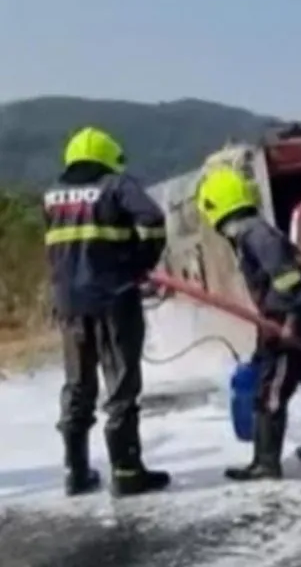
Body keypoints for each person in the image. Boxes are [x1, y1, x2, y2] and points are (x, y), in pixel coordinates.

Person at [44, 126, 171, 497]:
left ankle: (77, 473)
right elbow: (153, 220)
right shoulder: (116, 186)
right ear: (106, 157)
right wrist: (140, 263)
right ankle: (127, 472)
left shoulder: (51, 196)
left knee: (77, 385)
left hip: (69, 304)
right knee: (120, 386)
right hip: (114, 299)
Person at [194, 166, 301, 481]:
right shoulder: (257, 231)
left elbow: (287, 279)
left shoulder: (254, 234)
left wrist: (286, 323)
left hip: (292, 320)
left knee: (270, 391)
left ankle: (265, 464)